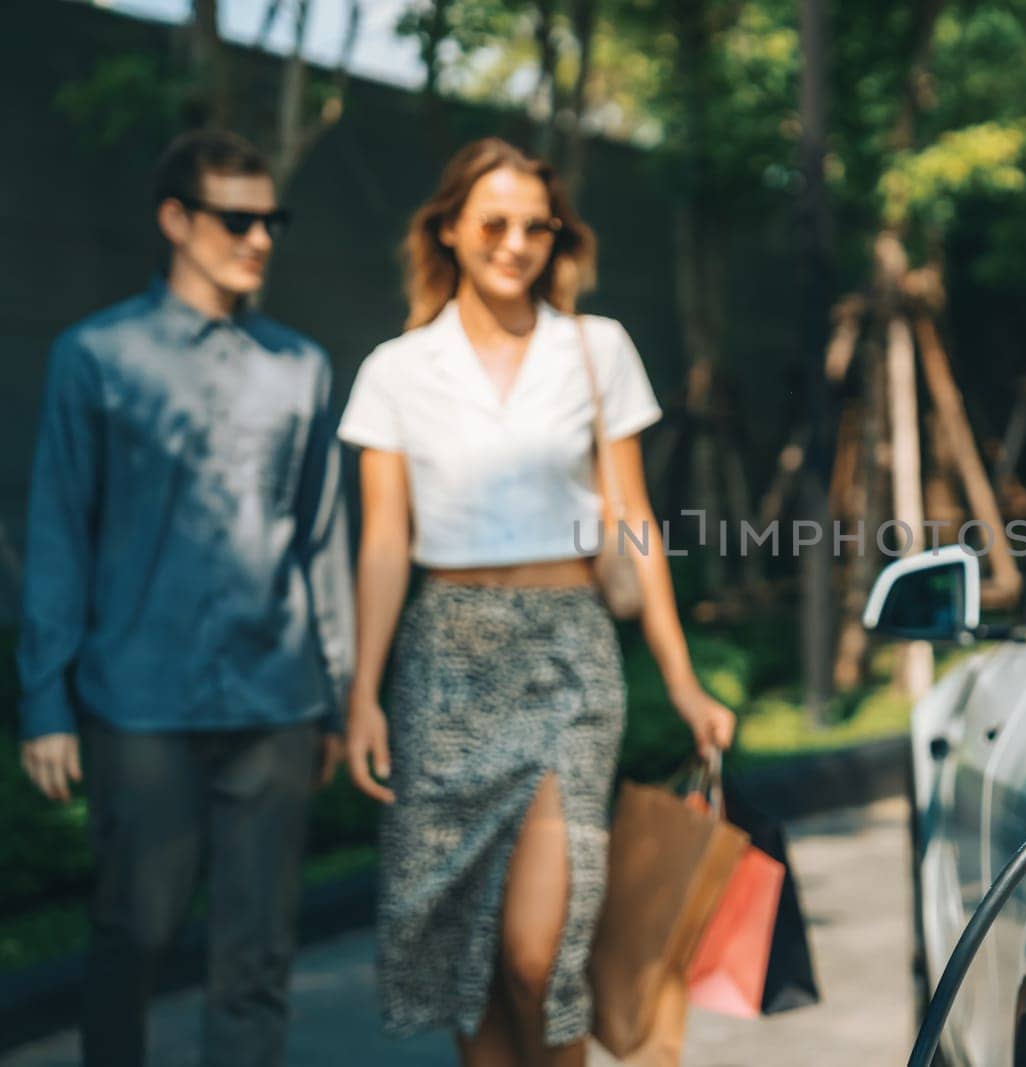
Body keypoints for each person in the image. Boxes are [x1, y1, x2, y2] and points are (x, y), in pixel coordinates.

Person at [337, 137, 736, 1067]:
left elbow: (635, 521)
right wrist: (362, 692)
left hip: (567, 660)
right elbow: (384, 542)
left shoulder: (594, 351)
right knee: (461, 966)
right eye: (494, 223)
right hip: (445, 662)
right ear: (449, 230)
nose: (516, 243)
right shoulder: (396, 369)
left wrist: (683, 679)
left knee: (536, 951)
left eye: (536, 226)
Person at [16, 129, 353, 1067]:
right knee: (135, 931)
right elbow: (58, 532)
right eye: (238, 219)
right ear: (176, 218)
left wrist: (338, 689)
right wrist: (44, 698)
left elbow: (323, 536)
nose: (260, 239)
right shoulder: (97, 357)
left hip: (276, 702)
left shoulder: (303, 367)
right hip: (138, 700)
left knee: (257, 957)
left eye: (271, 220)